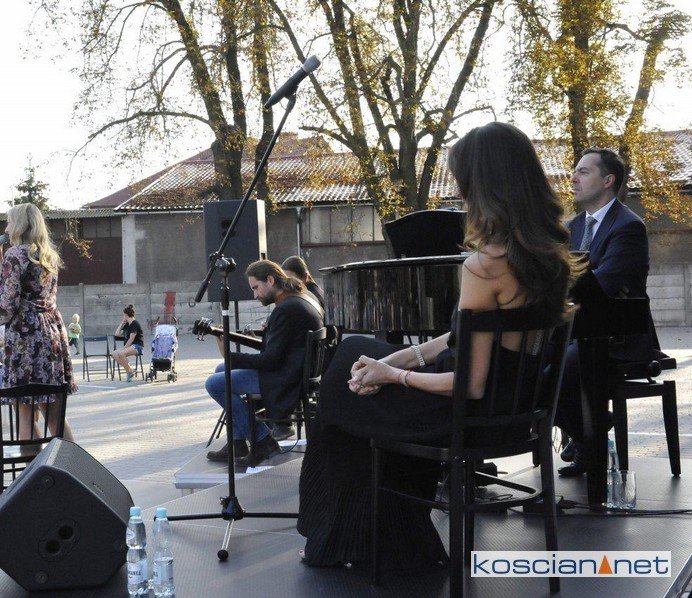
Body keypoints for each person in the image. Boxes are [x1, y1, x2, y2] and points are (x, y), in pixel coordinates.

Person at [297, 122, 576, 573]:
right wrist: (393, 360)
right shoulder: (546, 256)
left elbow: (470, 383)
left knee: (338, 395)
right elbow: (461, 338)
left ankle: (345, 539)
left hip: (470, 415)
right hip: (515, 406)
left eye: (463, 181)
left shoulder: (484, 266)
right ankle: (387, 537)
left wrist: (392, 376)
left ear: (483, 186)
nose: (459, 193)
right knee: (355, 356)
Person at [555, 148, 659, 476]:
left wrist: (564, 291)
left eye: (583, 172)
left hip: (619, 336)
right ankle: (590, 430)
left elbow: (605, 284)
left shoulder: (628, 226)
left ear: (608, 180)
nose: (573, 178)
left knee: (559, 365)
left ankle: (589, 437)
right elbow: (558, 281)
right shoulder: (571, 228)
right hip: (578, 330)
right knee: (527, 362)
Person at [0, 203, 76, 442]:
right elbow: (18, 290)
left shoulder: (16, 255)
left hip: (26, 335)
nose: (6, 228)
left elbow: (8, 305)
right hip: (50, 331)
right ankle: (70, 461)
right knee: (54, 411)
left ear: (18, 225)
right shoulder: (47, 254)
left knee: (24, 409)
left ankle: (31, 464)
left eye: (9, 222)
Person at [204, 259, 324, 466]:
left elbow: (270, 360)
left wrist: (229, 356)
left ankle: (262, 441)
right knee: (220, 370)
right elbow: (280, 347)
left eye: (256, 288)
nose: (255, 295)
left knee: (214, 384)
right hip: (293, 370)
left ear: (270, 280)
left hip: (285, 379)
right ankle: (237, 442)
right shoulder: (299, 298)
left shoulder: (285, 309)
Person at [113, 305, 143, 382]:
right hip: (129, 346)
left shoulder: (135, 323)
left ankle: (129, 372)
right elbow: (117, 334)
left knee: (121, 353)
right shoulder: (127, 325)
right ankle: (130, 371)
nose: (123, 316)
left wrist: (124, 348)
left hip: (137, 346)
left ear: (126, 315)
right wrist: (121, 323)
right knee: (114, 354)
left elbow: (131, 338)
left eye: (123, 315)